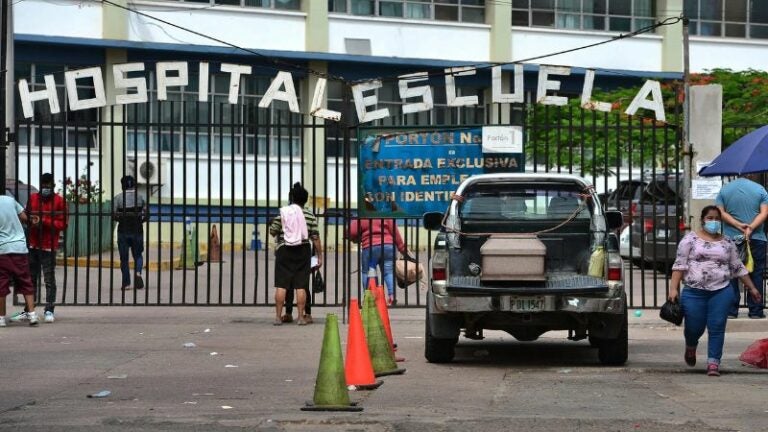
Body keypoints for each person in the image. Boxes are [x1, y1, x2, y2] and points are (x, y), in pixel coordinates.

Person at [668, 205, 762, 376]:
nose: (714, 222)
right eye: (710, 218)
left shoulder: (727, 243)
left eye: (717, 219)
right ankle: (691, 345)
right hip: (694, 291)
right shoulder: (690, 240)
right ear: (702, 220)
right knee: (693, 327)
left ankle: (713, 362)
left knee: (717, 326)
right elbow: (679, 265)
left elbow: (738, 267)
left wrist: (752, 288)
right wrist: (673, 289)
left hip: (721, 291)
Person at [11, 173, 67, 324]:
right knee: (30, 278)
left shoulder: (59, 201)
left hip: (49, 245)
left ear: (53, 186)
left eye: (48, 185)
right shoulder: (34, 198)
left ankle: (49, 309)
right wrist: (32, 220)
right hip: (33, 244)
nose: (45, 188)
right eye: (43, 185)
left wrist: (45, 220)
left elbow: (63, 224)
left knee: (49, 279)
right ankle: (29, 310)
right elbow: (27, 217)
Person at [715, 173, 768, 319]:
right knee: (755, 273)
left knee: (731, 275)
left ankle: (731, 311)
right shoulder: (760, 189)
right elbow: (765, 213)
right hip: (756, 238)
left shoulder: (725, 190)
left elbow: (720, 212)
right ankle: (756, 311)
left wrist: (738, 225)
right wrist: (750, 228)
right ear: (751, 174)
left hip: (730, 239)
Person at [269, 182, 322, 326]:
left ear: (291, 198)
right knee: (301, 285)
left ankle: (278, 317)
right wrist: (319, 255)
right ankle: (300, 317)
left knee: (281, 285)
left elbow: (273, 230)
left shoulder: (284, 213)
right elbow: (315, 237)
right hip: (303, 249)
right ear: (305, 200)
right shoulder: (310, 215)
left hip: (284, 249)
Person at [348, 217, 410, 305]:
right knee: (388, 272)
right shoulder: (384, 213)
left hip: (370, 247)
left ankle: (370, 296)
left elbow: (352, 231)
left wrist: (355, 238)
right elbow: (395, 231)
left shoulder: (363, 214)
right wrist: (401, 248)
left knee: (368, 272)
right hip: (388, 246)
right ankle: (392, 296)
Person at [0, 195, 39, 327]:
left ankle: (1, 318)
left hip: (2, 250)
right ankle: (32, 315)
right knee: (26, 281)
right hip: (19, 248)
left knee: (1, 285)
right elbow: (24, 218)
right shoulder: (10, 200)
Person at [112, 175, 147, 291]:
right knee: (138, 255)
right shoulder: (141, 198)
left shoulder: (117, 199)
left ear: (123, 186)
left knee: (124, 258)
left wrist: (121, 219)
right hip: (137, 230)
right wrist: (139, 220)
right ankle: (138, 273)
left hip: (123, 231)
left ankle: (126, 283)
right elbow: (145, 214)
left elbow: (114, 215)